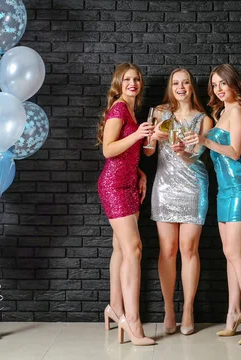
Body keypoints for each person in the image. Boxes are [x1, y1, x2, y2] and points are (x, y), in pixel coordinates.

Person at [185, 64, 241, 344]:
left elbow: (234, 152)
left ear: (234, 84)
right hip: (224, 190)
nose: (219, 89)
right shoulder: (221, 113)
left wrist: (205, 140)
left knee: (235, 252)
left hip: (240, 187)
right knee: (229, 253)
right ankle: (234, 314)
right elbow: (207, 150)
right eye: (215, 85)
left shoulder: (237, 111)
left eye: (223, 84)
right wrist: (191, 148)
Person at [144, 68, 213, 335]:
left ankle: (188, 311)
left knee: (189, 250)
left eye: (185, 82)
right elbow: (148, 152)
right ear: (171, 87)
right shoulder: (161, 113)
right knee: (168, 250)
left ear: (192, 87)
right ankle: (169, 311)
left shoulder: (203, 120)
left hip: (193, 186)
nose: (180, 87)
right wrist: (153, 137)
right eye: (176, 83)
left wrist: (184, 152)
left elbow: (196, 157)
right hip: (164, 186)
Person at [97, 63, 155, 346]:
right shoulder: (119, 109)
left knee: (120, 248)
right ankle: (132, 321)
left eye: (137, 79)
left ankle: (114, 308)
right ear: (119, 84)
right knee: (134, 248)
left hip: (130, 184)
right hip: (113, 187)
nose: (133, 83)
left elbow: (129, 153)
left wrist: (140, 172)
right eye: (127, 79)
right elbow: (108, 150)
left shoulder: (132, 111)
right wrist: (137, 134)